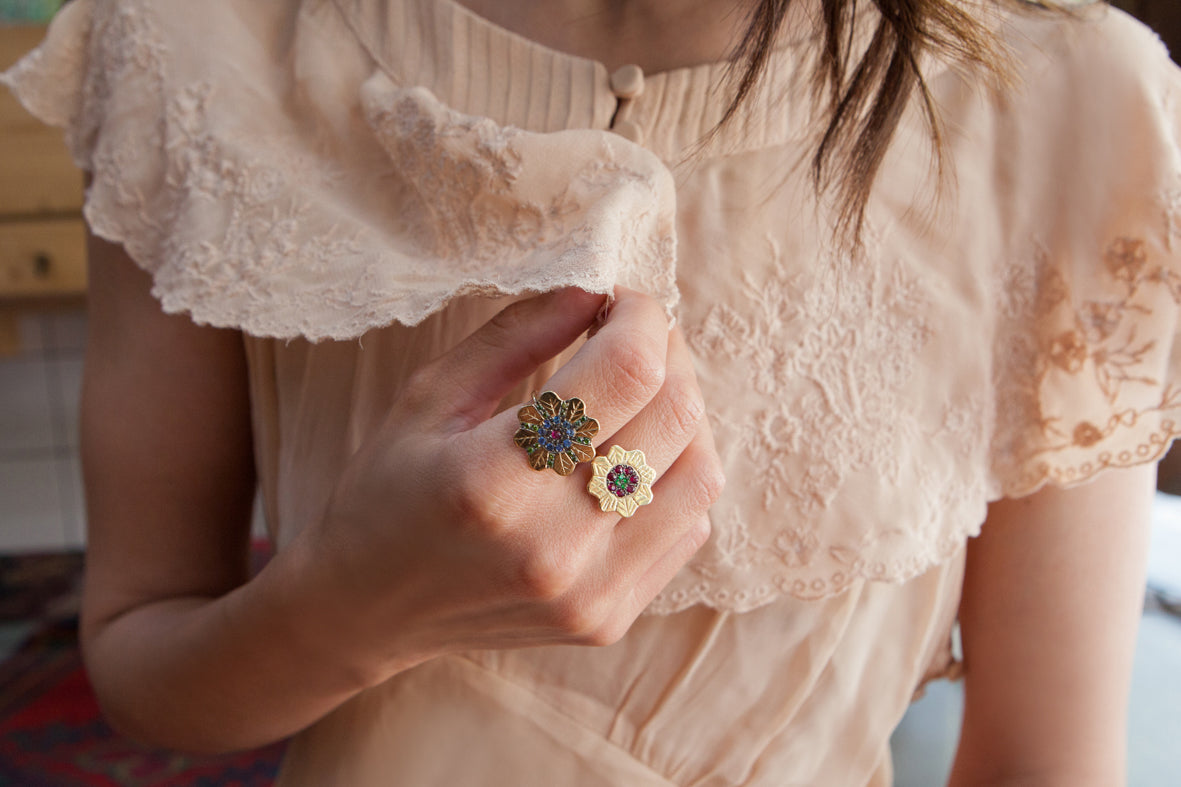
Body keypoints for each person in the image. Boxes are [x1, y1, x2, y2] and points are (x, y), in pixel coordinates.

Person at [3, 0, 1176, 783]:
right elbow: (141, 662)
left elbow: (1043, 762)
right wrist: (350, 604)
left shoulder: (1065, 104)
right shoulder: (199, 44)